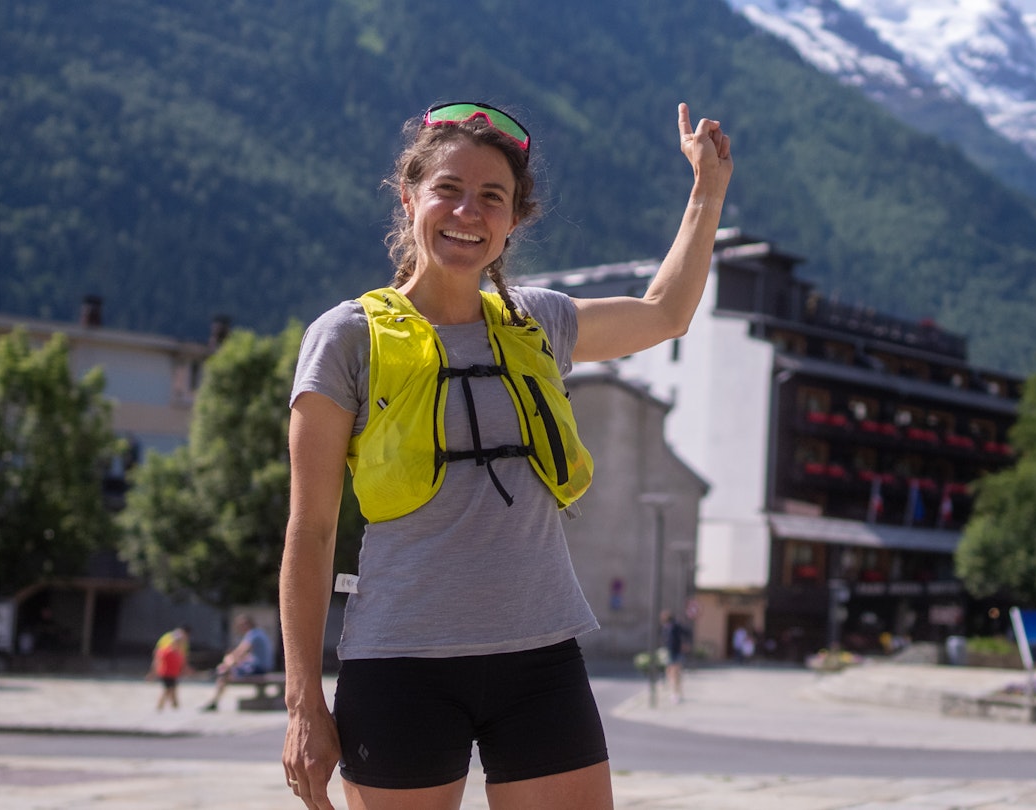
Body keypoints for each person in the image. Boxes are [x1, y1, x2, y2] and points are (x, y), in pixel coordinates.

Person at [279, 99, 732, 810]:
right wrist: (304, 704)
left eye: (492, 197)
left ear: (513, 217)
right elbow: (310, 531)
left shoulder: (540, 322)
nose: (468, 211)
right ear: (410, 198)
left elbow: (666, 313)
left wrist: (706, 189)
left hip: (540, 662)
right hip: (401, 664)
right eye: (448, 190)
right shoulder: (346, 338)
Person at [202, 614, 274, 711]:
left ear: (248, 624)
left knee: (224, 673)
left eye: (241, 625)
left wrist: (228, 662)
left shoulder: (253, 634)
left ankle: (214, 701)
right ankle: (215, 700)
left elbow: (240, 652)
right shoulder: (259, 633)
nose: (239, 628)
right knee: (226, 670)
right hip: (262, 667)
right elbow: (247, 656)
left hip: (258, 668)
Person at [147, 625, 190, 710]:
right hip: (166, 673)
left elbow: (182, 663)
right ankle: (162, 706)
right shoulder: (166, 652)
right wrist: (153, 672)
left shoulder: (179, 653)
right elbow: (157, 661)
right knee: (167, 690)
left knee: (173, 689)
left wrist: (184, 670)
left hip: (174, 674)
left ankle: (174, 705)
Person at [660, 610, 690, 703]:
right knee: (671, 673)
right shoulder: (667, 627)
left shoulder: (675, 626)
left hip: (675, 652)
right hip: (671, 652)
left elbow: (687, 633)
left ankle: (675, 694)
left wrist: (685, 644)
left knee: (675, 674)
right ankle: (677, 692)